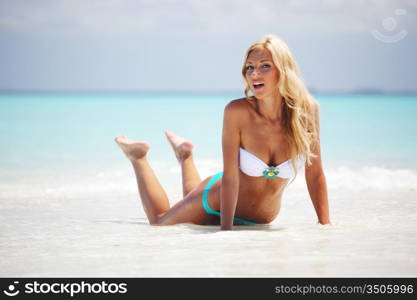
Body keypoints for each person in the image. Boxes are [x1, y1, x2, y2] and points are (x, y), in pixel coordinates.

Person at [115, 34, 330, 230]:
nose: (254, 73)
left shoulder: (306, 111)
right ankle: (138, 156)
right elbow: (230, 177)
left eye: (265, 66)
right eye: (249, 67)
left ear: (283, 70)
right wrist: (225, 232)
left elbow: (315, 174)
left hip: (261, 218)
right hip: (218, 199)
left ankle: (185, 155)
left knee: (189, 200)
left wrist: (325, 226)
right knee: (160, 222)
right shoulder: (237, 111)